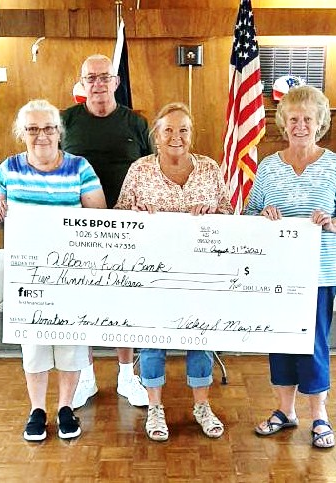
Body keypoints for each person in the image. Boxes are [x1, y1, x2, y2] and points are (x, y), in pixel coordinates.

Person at [245, 85, 336, 449]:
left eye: (307, 119)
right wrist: (262, 215)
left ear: (320, 124)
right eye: (293, 119)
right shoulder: (268, 167)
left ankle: (319, 415)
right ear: (283, 123)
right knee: (280, 341)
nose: (300, 126)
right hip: (277, 273)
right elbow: (250, 213)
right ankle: (285, 412)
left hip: (319, 271)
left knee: (312, 343)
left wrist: (333, 223)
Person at [0, 99, 107, 442]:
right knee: (33, 347)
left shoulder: (80, 168)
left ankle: (66, 408)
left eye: (48, 128)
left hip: (71, 275)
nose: (41, 136)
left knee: (70, 345)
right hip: (28, 276)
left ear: (59, 131)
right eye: (33, 129)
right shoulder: (8, 168)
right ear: (22, 133)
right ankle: (37, 409)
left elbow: (100, 216)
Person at [115, 102, 233, 441]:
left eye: (183, 130)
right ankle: (155, 408)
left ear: (191, 135)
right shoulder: (139, 170)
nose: (176, 137)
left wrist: (213, 211)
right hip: (152, 277)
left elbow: (230, 215)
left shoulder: (210, 169)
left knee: (201, 340)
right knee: (152, 341)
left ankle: (201, 406)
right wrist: (135, 212)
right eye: (168, 130)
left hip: (202, 275)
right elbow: (118, 218)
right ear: (156, 135)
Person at [61, 54, 151, 408]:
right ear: (82, 83)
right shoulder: (65, 121)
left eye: (105, 77)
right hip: (76, 230)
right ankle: (86, 377)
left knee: (123, 303)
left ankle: (127, 376)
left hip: (127, 227)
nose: (98, 83)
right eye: (90, 78)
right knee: (83, 302)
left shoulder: (136, 122)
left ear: (116, 82)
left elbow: (151, 169)